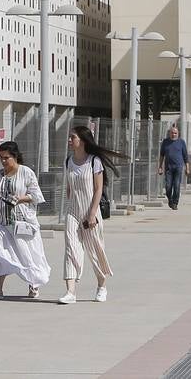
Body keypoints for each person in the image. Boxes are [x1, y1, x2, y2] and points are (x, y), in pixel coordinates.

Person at [59, 125, 125, 304]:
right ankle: (70, 291)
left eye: (73, 137)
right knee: (71, 248)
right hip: (73, 211)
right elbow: (69, 187)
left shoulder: (94, 161)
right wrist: (71, 203)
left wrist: (92, 214)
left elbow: (98, 189)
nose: (70, 140)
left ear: (82, 140)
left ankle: (102, 285)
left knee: (95, 248)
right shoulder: (69, 161)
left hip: (90, 212)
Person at [0, 141, 50, 300]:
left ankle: (34, 285)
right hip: (2, 222)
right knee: (0, 255)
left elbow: (37, 196)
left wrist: (22, 198)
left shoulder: (26, 173)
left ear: (15, 157)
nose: (4, 161)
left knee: (28, 255)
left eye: (7, 158)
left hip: (22, 223)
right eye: (1, 158)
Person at [158, 124, 189, 209]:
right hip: (169, 168)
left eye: (175, 133)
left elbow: (185, 156)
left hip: (178, 167)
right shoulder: (165, 142)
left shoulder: (181, 142)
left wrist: (187, 168)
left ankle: (175, 203)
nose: (173, 134)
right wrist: (160, 167)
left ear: (178, 134)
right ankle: (170, 200)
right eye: (172, 133)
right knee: (168, 187)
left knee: (176, 185)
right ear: (169, 133)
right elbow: (162, 155)